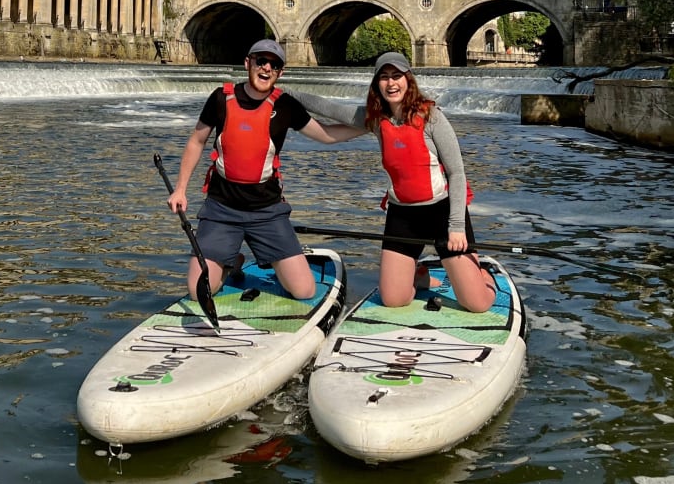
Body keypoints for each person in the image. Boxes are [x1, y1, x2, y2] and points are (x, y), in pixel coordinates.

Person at [293, 52, 497, 313]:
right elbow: (328, 108)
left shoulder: (432, 117)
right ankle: (420, 276)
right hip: (403, 216)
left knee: (476, 304)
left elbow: (457, 173)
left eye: (397, 76)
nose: (391, 83)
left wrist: (456, 226)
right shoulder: (377, 119)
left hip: (442, 213)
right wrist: (282, 92)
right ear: (377, 83)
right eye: (384, 77)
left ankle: (485, 277)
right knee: (393, 299)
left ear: (408, 80)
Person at [167, 39, 359, 301]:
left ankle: (257, 257)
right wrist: (180, 190)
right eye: (261, 61)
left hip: (267, 211)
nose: (267, 67)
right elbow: (196, 141)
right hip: (221, 209)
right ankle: (231, 260)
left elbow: (326, 135)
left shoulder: (286, 106)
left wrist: (369, 126)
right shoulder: (220, 99)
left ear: (281, 72)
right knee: (199, 290)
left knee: (304, 291)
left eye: (274, 64)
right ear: (248, 63)